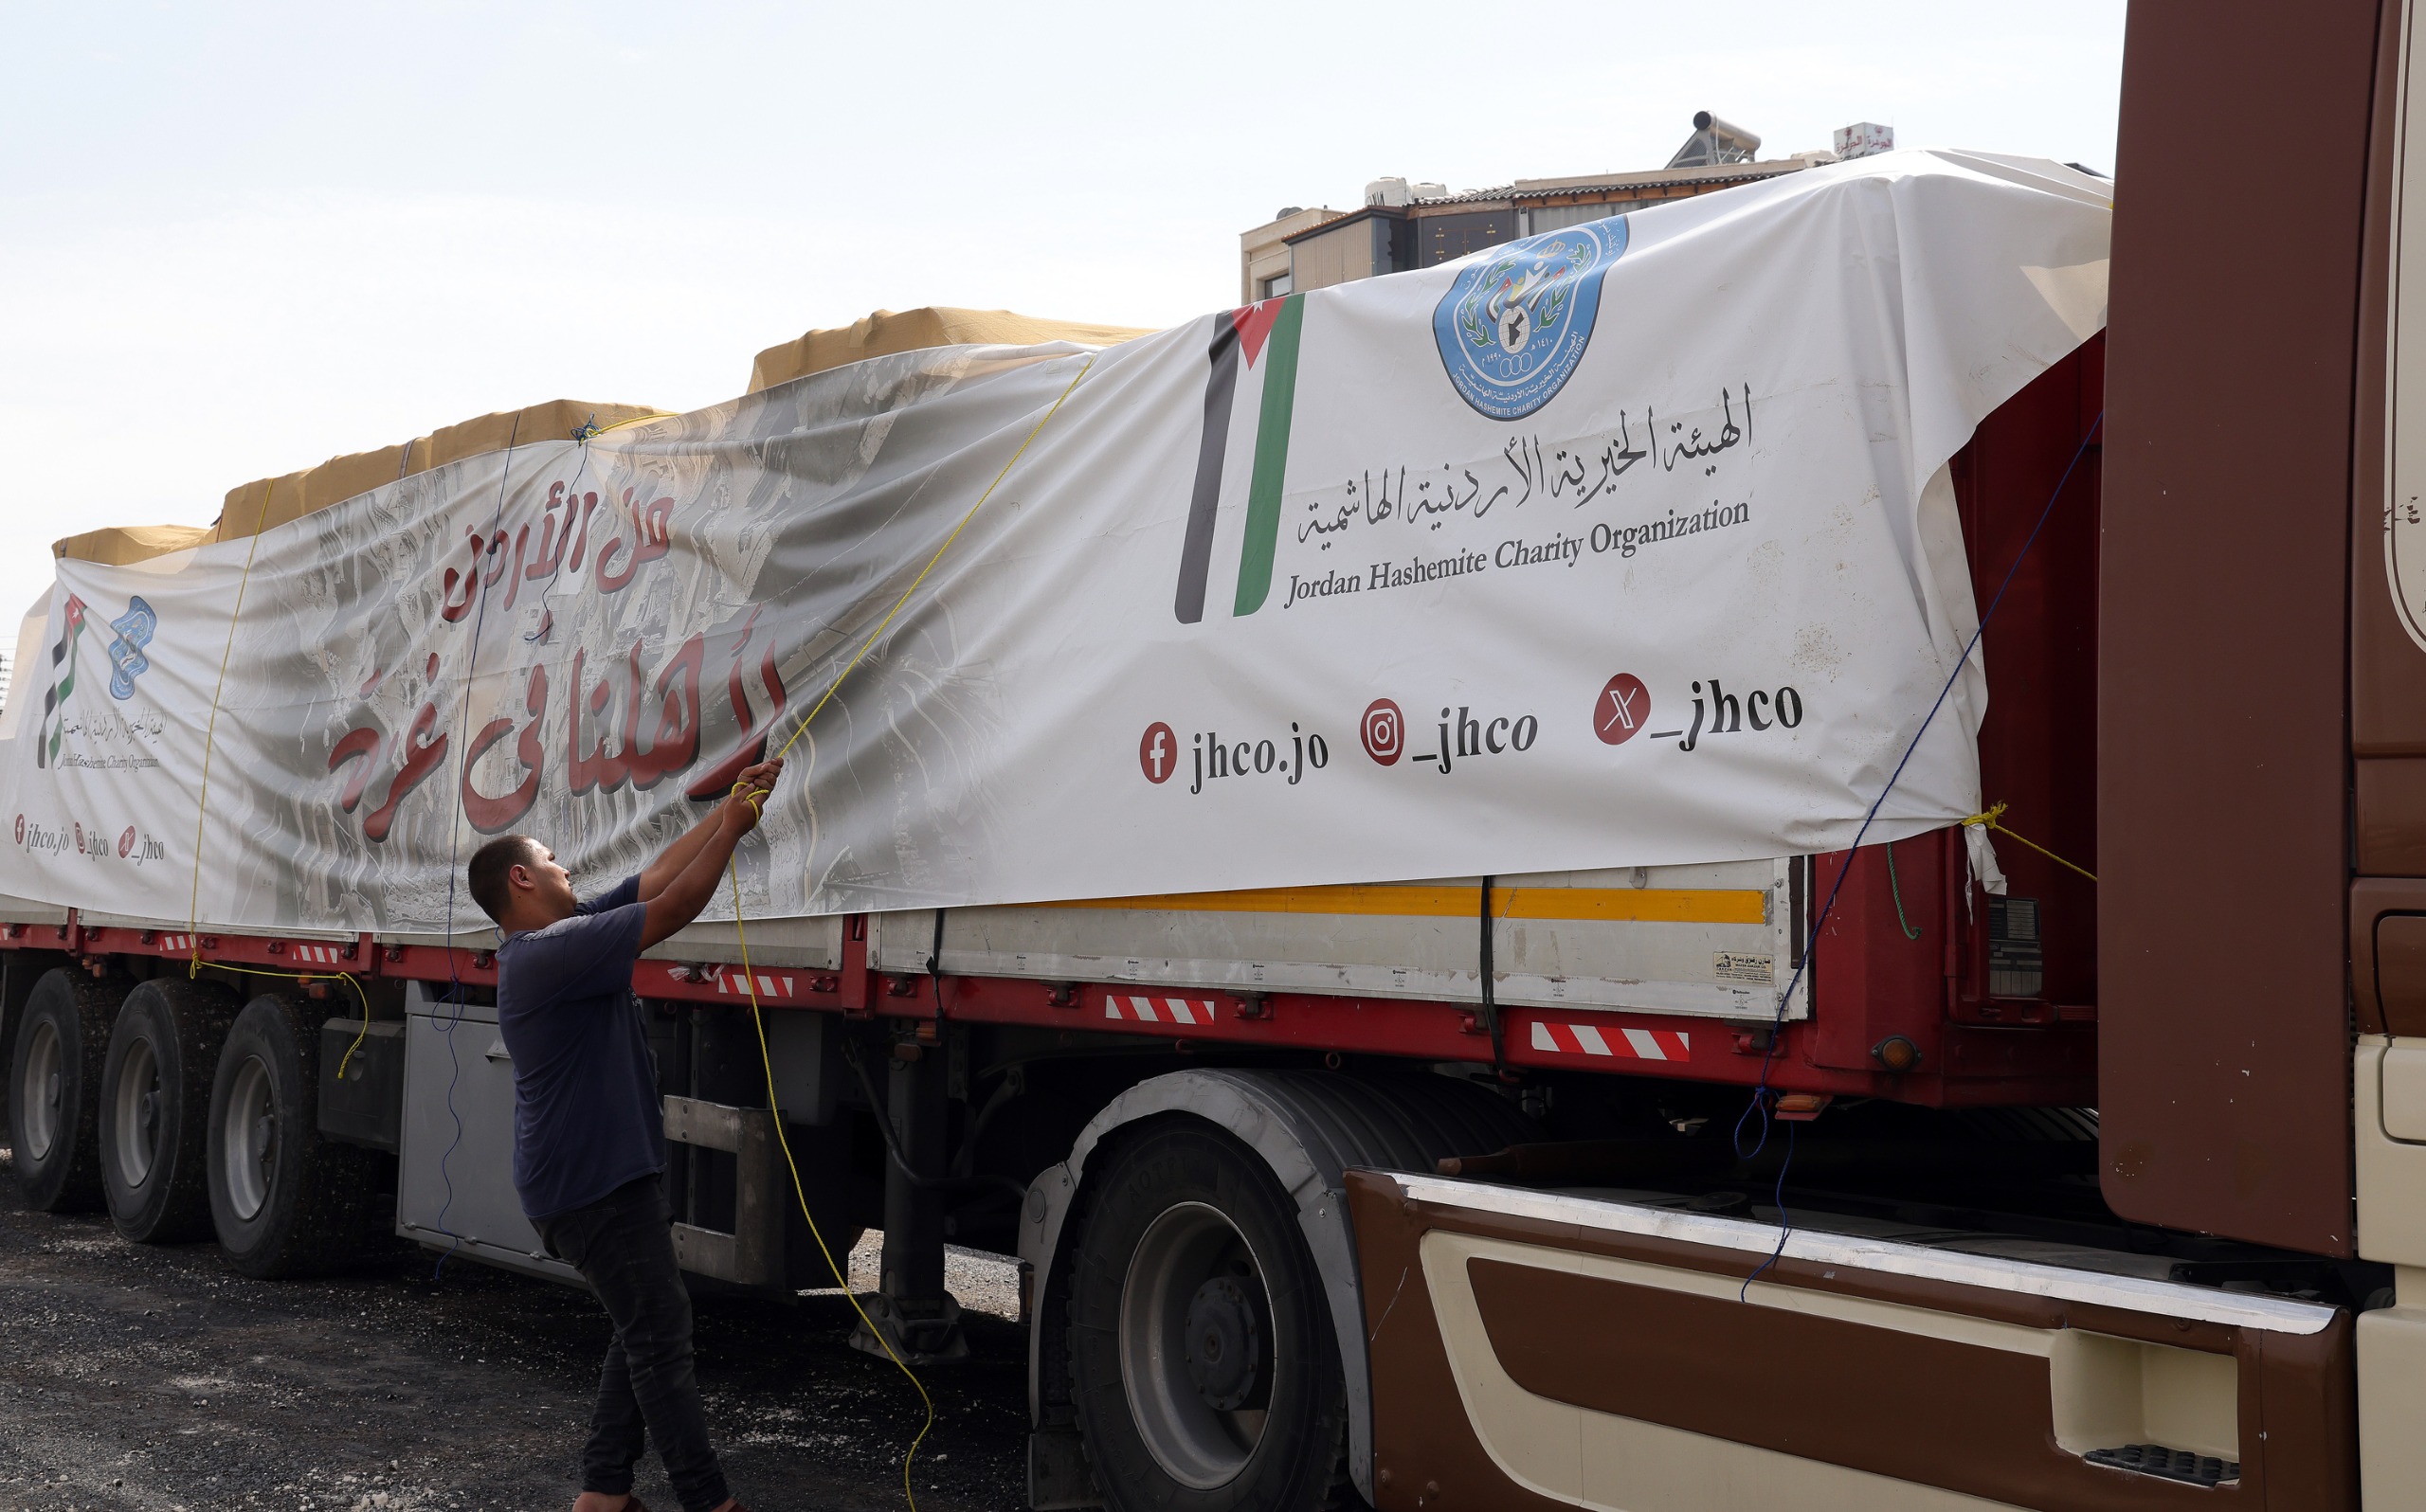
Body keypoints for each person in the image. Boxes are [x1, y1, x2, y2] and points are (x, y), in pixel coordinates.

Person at [465, 758, 783, 1512]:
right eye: (549, 859)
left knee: (642, 1322)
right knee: (659, 1337)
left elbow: (653, 879)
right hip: (592, 1185)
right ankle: (708, 1500)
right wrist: (735, 830)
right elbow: (671, 909)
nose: (562, 866)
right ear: (520, 881)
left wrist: (725, 810)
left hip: (593, 1179)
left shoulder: (562, 936)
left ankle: (604, 1491)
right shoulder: (547, 955)